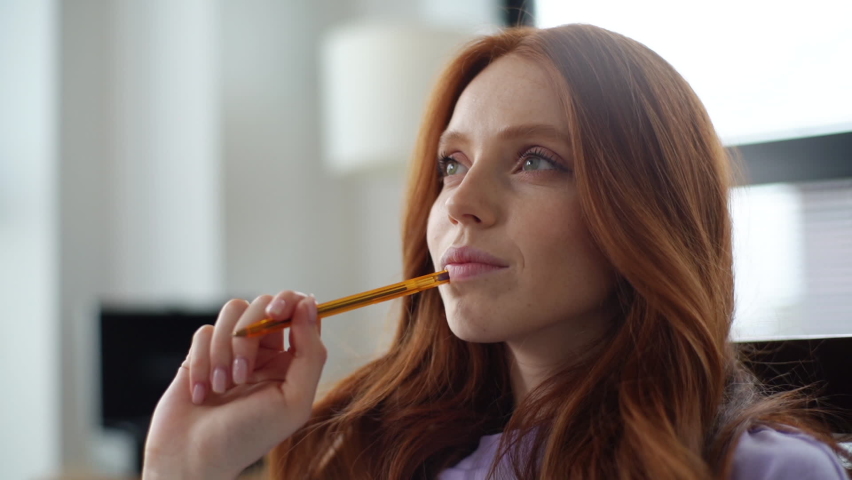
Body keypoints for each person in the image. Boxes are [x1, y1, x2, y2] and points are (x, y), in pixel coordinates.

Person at [142, 24, 851, 479]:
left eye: (534, 159)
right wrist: (184, 467)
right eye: (452, 164)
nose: (458, 203)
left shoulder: (763, 472)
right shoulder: (363, 458)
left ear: (646, 211)